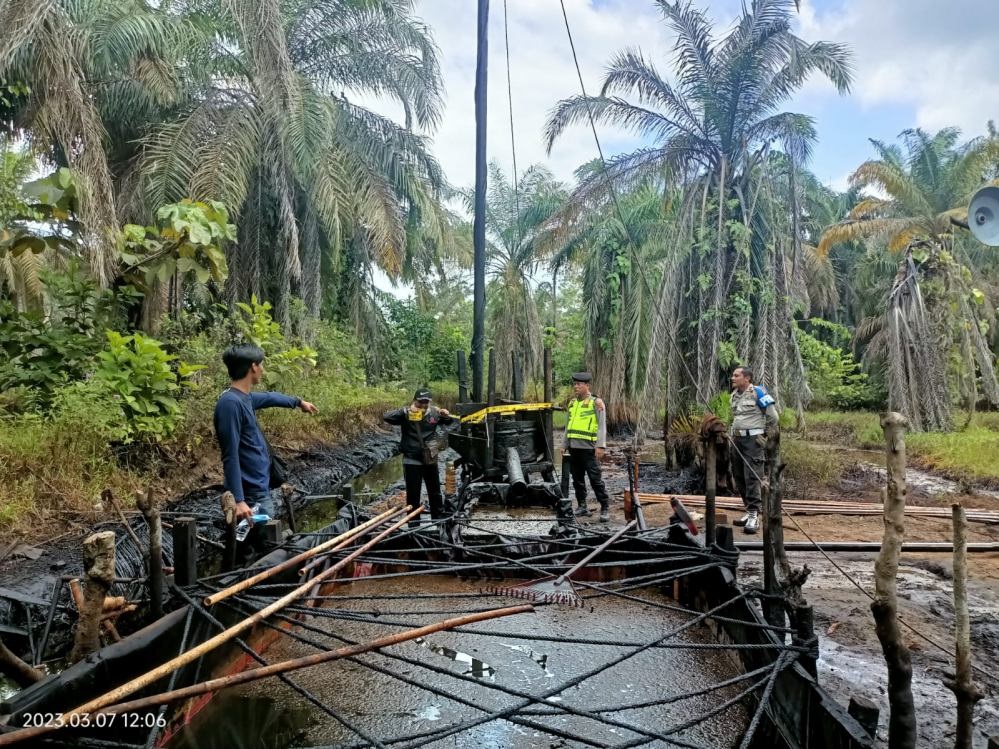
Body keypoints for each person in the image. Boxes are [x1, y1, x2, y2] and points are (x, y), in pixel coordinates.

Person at [213, 345, 318, 529]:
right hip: (250, 495)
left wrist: (299, 402)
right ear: (253, 367)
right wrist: (238, 500)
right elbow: (230, 455)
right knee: (262, 542)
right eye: (261, 365)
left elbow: (271, 398)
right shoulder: (230, 404)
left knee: (258, 538)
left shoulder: (245, 398)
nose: (263, 370)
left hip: (259, 487)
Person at [383, 388, 453, 520]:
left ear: (430, 402)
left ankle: (438, 521)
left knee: (435, 491)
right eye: (421, 402)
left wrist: (446, 415)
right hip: (411, 458)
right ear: (415, 401)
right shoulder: (406, 413)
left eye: (426, 402)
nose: (423, 405)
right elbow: (387, 417)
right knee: (413, 494)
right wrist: (405, 411)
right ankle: (413, 523)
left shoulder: (434, 413)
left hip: (430, 457)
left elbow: (448, 422)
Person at [728, 365, 779, 534]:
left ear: (746, 378)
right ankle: (749, 510)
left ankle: (754, 515)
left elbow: (773, 416)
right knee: (738, 475)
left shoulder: (758, 392)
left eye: (736, 375)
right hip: (737, 439)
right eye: (733, 375)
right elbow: (737, 417)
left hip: (753, 441)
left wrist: (765, 436)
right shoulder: (734, 395)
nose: (732, 378)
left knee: (752, 476)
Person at [563, 372, 610, 522]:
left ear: (587, 386)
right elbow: (567, 426)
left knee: (595, 479)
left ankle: (605, 507)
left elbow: (602, 425)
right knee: (577, 479)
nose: (576, 387)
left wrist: (600, 446)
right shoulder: (572, 403)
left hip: (589, 449)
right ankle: (582, 506)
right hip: (574, 448)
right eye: (575, 384)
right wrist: (564, 444)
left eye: (579, 384)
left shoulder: (596, 402)